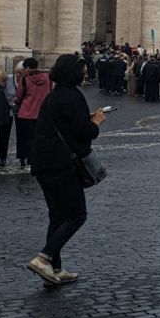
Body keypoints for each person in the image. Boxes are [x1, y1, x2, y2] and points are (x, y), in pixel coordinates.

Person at [27, 53, 105, 286]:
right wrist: (96, 122)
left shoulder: (52, 98)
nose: (85, 74)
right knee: (76, 214)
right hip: (63, 164)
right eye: (82, 71)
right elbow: (84, 132)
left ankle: (55, 269)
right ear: (75, 74)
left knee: (58, 216)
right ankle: (44, 258)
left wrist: (84, 120)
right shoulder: (73, 97)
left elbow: (64, 126)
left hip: (42, 164)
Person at [14, 58, 51, 171]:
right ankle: (36, 159)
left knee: (24, 138)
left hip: (25, 113)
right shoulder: (48, 78)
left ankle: (24, 159)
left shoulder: (25, 80)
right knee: (39, 138)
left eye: (24, 68)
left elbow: (19, 96)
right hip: (42, 113)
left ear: (28, 68)